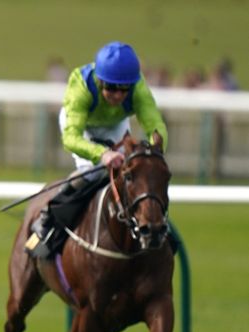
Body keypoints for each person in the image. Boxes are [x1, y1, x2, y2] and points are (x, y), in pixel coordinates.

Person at [26, 41, 169, 258]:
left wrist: (155, 150)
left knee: (139, 175)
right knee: (93, 173)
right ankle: (48, 220)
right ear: (100, 80)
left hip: (116, 125)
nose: (118, 95)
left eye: (124, 89)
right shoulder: (81, 86)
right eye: (111, 88)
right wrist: (102, 154)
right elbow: (71, 138)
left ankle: (155, 227)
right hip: (81, 126)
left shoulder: (138, 87)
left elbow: (155, 125)